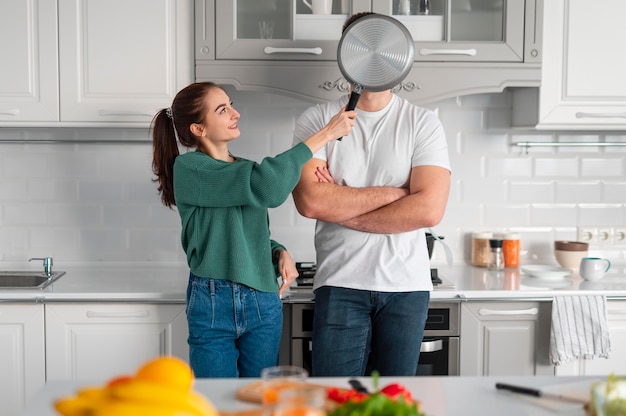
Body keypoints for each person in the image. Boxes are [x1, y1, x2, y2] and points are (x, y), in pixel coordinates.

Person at [151, 82, 356, 377]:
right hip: (213, 300)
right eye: (223, 110)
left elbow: (246, 230)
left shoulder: (244, 169)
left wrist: (278, 251)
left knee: (260, 399)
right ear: (198, 129)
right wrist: (325, 134)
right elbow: (267, 188)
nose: (235, 113)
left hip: (262, 297)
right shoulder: (190, 169)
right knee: (216, 401)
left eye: (231, 105)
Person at [291, 12, 451, 377]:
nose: (372, 59)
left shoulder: (422, 122)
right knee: (336, 400)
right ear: (346, 55)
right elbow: (311, 202)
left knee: (394, 402)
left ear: (399, 57)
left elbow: (428, 210)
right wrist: (398, 194)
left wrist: (340, 204)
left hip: (406, 287)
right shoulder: (318, 121)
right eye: (361, 48)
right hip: (340, 282)